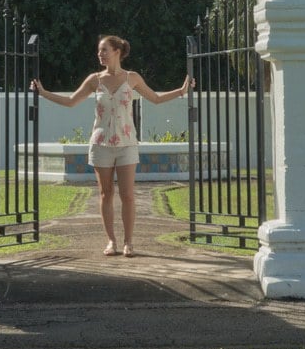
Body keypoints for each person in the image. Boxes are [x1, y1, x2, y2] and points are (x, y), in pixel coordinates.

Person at [31, 35, 192, 258]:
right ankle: (111, 241)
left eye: (104, 50)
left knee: (127, 194)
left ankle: (128, 243)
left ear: (117, 51)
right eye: (99, 50)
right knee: (106, 194)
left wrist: (182, 90)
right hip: (100, 144)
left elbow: (155, 98)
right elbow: (70, 102)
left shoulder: (132, 77)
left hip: (127, 144)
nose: (100, 54)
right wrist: (43, 92)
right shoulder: (94, 80)